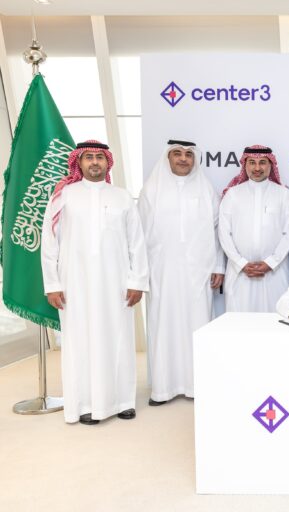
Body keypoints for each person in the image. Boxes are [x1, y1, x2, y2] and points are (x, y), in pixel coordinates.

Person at [41, 140, 149, 425]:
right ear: (79, 162)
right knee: (80, 341)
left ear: (108, 162)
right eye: (88, 157)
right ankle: (86, 404)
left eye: (100, 157)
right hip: (74, 283)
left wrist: (137, 280)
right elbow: (49, 243)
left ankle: (123, 401)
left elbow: (136, 243)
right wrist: (52, 284)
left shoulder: (122, 196)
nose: (94, 162)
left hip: (117, 283)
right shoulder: (63, 196)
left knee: (119, 338)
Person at [138, 139, 224, 406]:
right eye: (177, 154)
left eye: (188, 154)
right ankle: (163, 388)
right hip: (161, 270)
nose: (183, 159)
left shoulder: (206, 188)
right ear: (168, 157)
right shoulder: (151, 189)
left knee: (198, 324)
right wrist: (140, 274)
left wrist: (219, 266)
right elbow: (138, 235)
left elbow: (217, 230)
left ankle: (197, 385)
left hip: (199, 272)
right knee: (162, 325)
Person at [218, 145, 289, 312]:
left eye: (262, 163)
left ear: (270, 166)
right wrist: (240, 263)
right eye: (252, 163)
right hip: (239, 273)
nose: (257, 168)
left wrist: (271, 263)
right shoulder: (232, 194)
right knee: (239, 327)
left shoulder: (283, 194)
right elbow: (224, 233)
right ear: (245, 166)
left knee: (274, 324)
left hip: (274, 274)